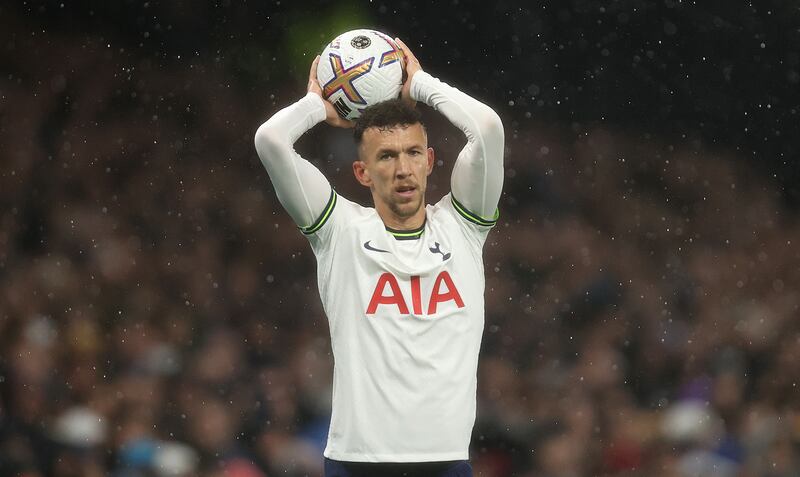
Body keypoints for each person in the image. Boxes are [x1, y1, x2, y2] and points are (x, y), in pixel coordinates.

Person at [254, 38, 504, 477]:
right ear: (362, 172)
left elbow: (487, 130)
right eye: (386, 156)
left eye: (412, 154)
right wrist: (317, 103)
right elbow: (271, 140)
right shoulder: (340, 231)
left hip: (445, 463)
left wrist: (421, 84)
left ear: (429, 161)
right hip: (357, 463)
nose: (402, 169)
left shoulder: (464, 226)